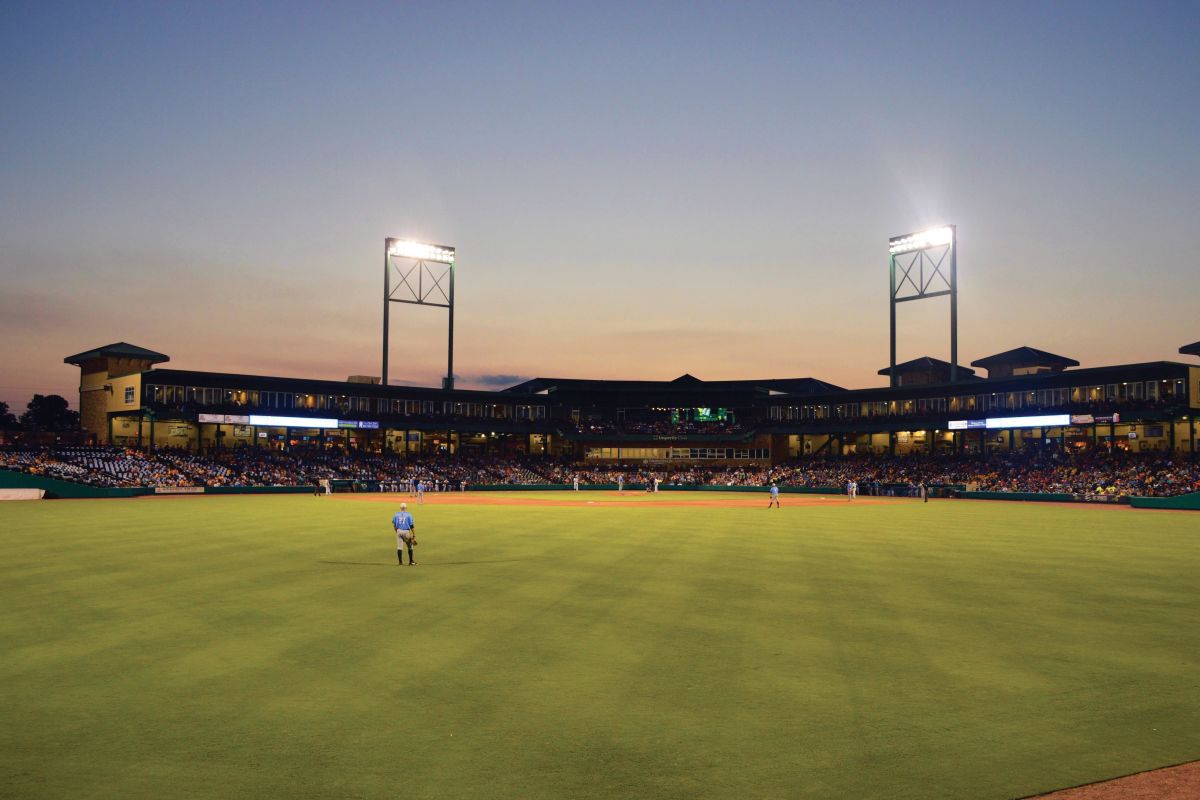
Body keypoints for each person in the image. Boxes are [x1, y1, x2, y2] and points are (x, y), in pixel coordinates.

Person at [392, 502, 417, 566]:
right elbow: (411, 526)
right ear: (406, 508)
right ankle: (411, 561)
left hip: (399, 531)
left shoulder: (396, 514)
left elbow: (394, 526)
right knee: (410, 546)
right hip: (406, 532)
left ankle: (400, 562)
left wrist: (398, 532)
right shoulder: (409, 514)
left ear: (400, 508)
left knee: (399, 547)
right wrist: (414, 535)